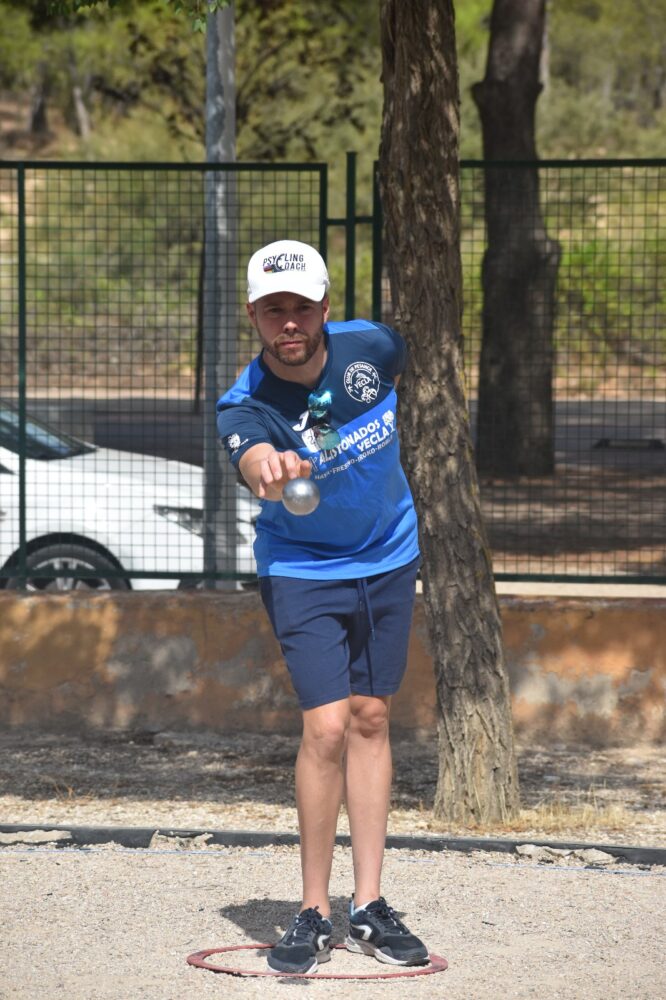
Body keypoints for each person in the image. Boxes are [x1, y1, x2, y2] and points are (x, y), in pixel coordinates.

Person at [216, 239, 429, 975]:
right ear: (253, 315)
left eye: (302, 307)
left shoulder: (374, 346)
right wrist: (270, 469)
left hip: (390, 554)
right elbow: (249, 458)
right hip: (303, 569)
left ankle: (368, 907)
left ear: (325, 308)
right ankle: (312, 911)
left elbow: (395, 372)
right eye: (274, 309)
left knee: (371, 717)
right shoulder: (245, 403)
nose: (290, 322)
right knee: (328, 726)